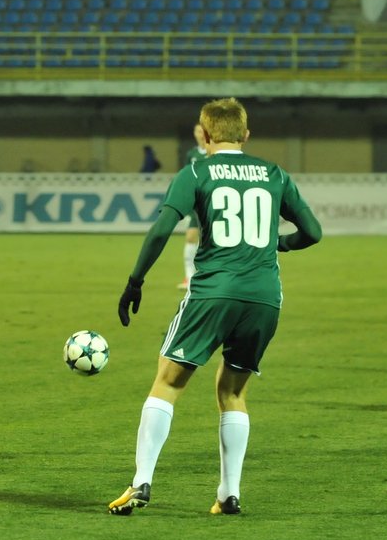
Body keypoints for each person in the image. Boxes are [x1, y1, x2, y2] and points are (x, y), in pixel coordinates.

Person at [108, 98, 322, 516]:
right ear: (246, 135)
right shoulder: (274, 173)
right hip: (264, 297)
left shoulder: (196, 171)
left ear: (205, 135)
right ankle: (229, 493)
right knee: (233, 391)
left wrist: (135, 281)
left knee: (168, 382)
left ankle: (141, 481)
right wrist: (277, 243)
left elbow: (162, 228)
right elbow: (312, 232)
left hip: (213, 292)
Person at [178, 122, 206, 290]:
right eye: (197, 131)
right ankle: (189, 277)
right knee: (190, 237)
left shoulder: (213, 152)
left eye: (202, 131)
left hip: (211, 201)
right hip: (196, 203)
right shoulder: (192, 154)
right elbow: (187, 175)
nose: (200, 134)